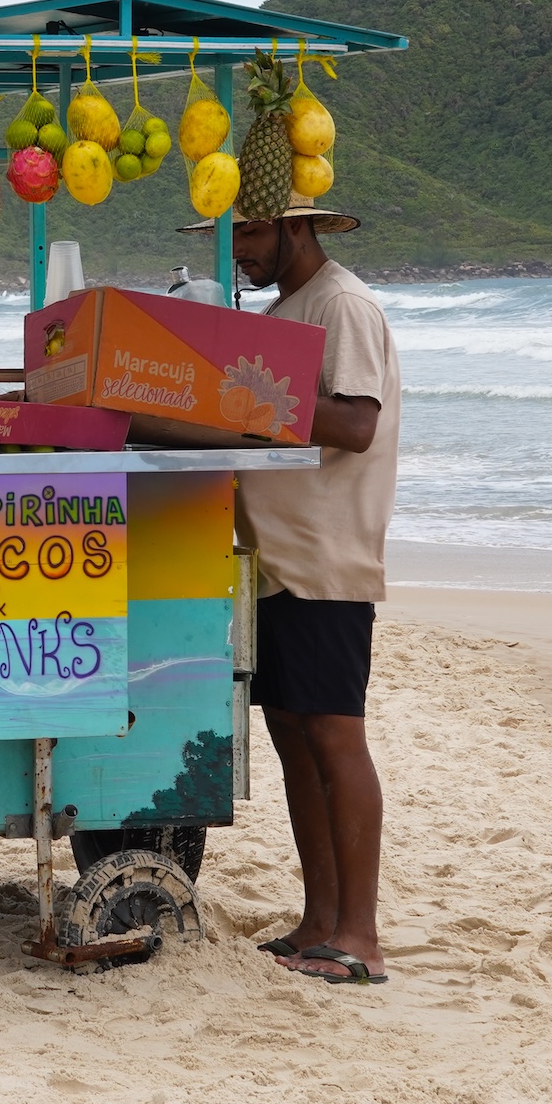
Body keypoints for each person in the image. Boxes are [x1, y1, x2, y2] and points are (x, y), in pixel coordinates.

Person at [217, 197, 402, 988]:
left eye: (250, 233)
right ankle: (317, 921)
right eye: (229, 237)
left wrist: (237, 400)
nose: (238, 253)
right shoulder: (289, 310)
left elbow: (357, 423)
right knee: (293, 736)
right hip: (274, 559)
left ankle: (361, 935)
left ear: (298, 227)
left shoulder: (342, 305)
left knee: (334, 736)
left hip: (327, 557)